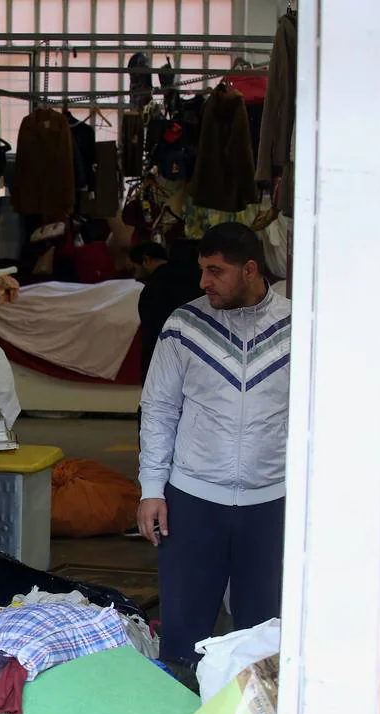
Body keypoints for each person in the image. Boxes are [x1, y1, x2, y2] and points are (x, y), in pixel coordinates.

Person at [137, 223, 291, 664]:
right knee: (183, 638)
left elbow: (317, 418)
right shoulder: (184, 325)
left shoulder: (299, 327)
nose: (204, 282)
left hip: (272, 502)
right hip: (193, 499)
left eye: (215, 271)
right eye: (203, 270)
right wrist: (151, 490)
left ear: (249, 269)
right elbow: (159, 410)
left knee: (264, 642)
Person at [129, 241, 203, 378]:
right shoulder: (198, 278)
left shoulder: (153, 289)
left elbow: (152, 334)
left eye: (134, 269)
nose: (134, 276)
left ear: (145, 260)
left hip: (166, 364)